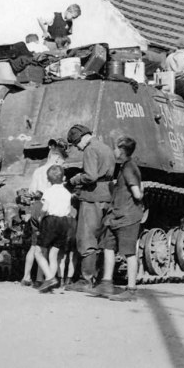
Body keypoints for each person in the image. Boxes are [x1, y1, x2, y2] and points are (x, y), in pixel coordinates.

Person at [64, 124, 115, 292]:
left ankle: (85, 280)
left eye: (76, 143)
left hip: (92, 197)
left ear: (82, 138)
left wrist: (74, 180)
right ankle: (100, 277)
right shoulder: (106, 147)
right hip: (106, 195)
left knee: (86, 238)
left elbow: (91, 176)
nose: (77, 148)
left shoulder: (90, 149)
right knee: (102, 240)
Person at [95, 136, 144, 302]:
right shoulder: (125, 166)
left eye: (115, 148)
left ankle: (131, 290)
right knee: (108, 246)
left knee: (129, 253)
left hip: (127, 217)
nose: (114, 150)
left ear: (121, 150)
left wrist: (139, 192)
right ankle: (106, 283)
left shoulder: (129, 167)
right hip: (116, 216)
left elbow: (137, 193)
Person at [20, 138, 68, 287]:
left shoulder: (38, 170)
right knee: (46, 247)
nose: (63, 163)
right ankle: (42, 278)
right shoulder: (57, 172)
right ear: (57, 158)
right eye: (63, 160)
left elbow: (31, 191)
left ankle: (27, 276)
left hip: (36, 206)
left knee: (34, 245)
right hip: (48, 209)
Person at [34, 165, 75, 293]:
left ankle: (49, 278)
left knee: (38, 252)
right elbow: (68, 210)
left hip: (51, 222)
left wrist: (40, 217)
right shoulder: (67, 193)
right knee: (54, 254)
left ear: (48, 179)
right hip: (64, 222)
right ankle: (50, 283)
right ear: (64, 178)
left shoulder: (49, 191)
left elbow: (45, 208)